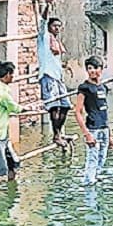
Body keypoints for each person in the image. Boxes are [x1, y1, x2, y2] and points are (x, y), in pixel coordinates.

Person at [74, 56, 113, 186]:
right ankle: (88, 186)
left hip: (104, 128)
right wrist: (87, 134)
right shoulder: (84, 88)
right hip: (93, 129)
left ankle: (94, 181)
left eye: (95, 68)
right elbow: (78, 112)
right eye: (89, 68)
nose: (92, 71)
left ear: (101, 69)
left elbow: (104, 112)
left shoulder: (104, 88)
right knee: (92, 159)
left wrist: (110, 135)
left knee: (102, 159)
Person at [38, 17, 71, 146]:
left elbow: (54, 60)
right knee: (54, 107)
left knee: (66, 106)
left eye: (59, 26)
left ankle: (59, 133)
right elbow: (42, 21)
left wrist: (64, 67)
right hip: (48, 76)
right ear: (48, 26)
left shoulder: (56, 42)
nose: (57, 28)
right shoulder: (44, 37)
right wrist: (46, 7)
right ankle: (56, 135)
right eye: (54, 26)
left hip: (58, 78)